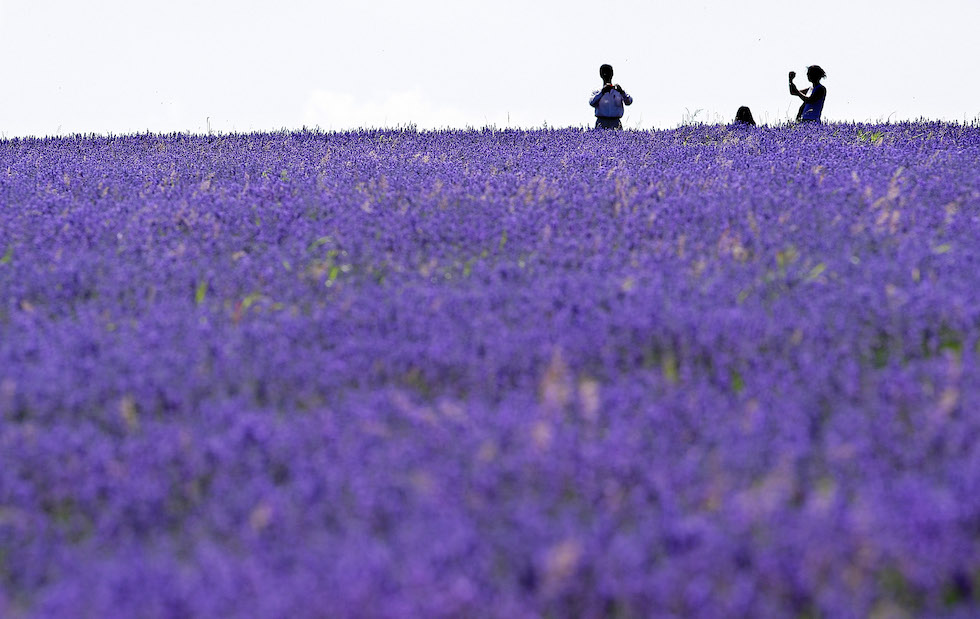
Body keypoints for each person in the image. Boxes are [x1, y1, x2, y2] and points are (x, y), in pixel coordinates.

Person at [589, 64, 633, 130]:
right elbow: (592, 103)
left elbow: (629, 102)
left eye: (608, 73)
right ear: (601, 75)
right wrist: (602, 92)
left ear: (612, 74)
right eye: (604, 73)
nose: (606, 75)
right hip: (601, 121)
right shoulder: (597, 91)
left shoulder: (618, 90)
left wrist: (622, 92)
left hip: (615, 121)